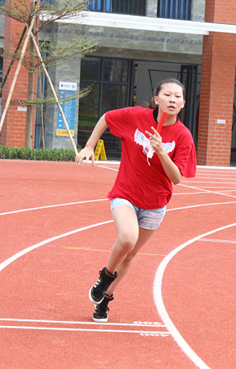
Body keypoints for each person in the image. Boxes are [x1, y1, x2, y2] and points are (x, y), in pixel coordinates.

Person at [75, 78, 197, 322]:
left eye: (177, 97)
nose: (172, 99)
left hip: (155, 203)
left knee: (129, 256)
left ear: (183, 103)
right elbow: (107, 118)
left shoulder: (183, 136)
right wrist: (90, 145)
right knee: (127, 239)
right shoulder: (136, 116)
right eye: (167, 95)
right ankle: (105, 276)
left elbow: (177, 178)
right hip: (126, 193)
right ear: (156, 99)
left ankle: (104, 300)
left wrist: (162, 151)